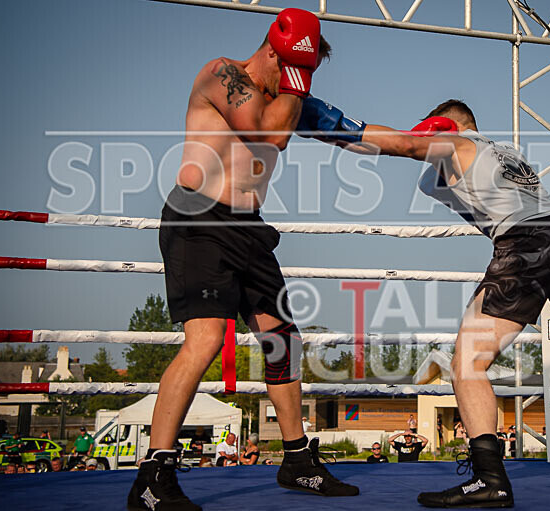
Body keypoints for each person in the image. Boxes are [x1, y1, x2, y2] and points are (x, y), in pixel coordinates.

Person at [297, 96, 550, 505]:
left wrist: (325, 124)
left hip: (527, 242)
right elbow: (435, 185)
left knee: (467, 363)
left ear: (446, 126)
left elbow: (403, 145)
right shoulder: (505, 151)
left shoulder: (457, 144)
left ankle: (490, 479)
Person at [126, 9, 358, 510]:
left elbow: (357, 134)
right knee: (206, 340)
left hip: (249, 227)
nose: (299, 81)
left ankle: (296, 460)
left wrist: (428, 143)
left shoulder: (287, 100)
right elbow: (264, 136)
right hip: (199, 220)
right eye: (295, 68)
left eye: (307, 73)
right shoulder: (222, 73)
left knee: (282, 339)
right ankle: (153, 475)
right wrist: (296, 85)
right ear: (273, 51)